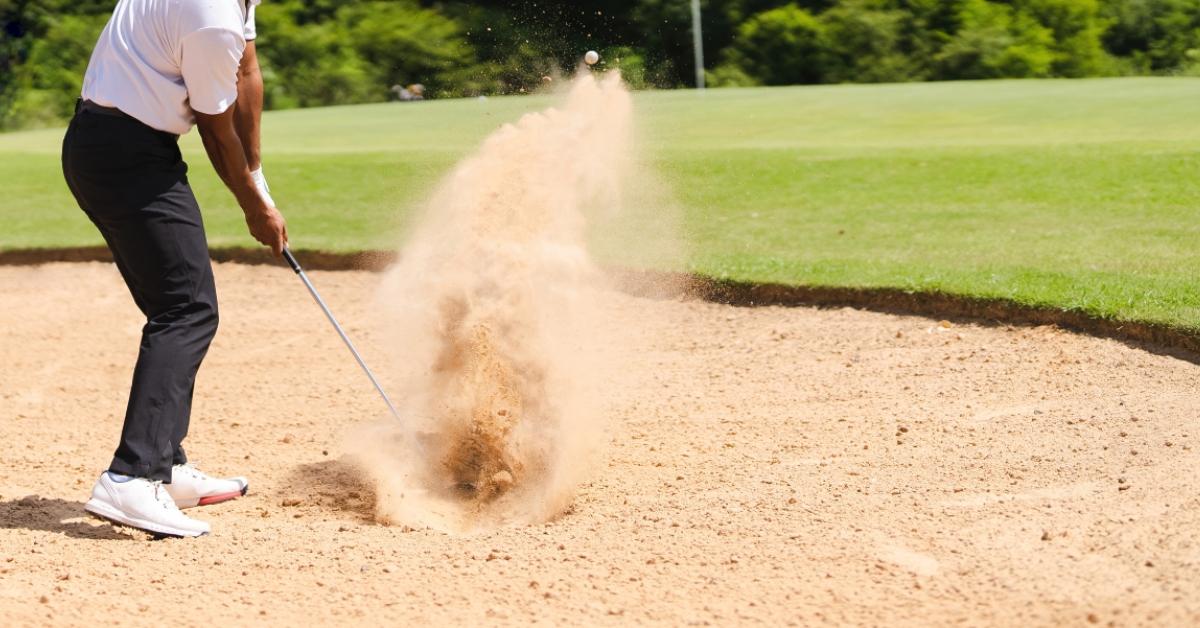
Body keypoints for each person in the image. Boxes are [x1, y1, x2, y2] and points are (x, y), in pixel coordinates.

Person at [61, 0, 287, 538]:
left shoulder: (235, 5)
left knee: (176, 306)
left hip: (109, 145)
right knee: (186, 310)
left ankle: (164, 463)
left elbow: (247, 69)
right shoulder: (211, 17)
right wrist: (254, 206)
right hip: (126, 156)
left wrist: (259, 177)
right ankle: (131, 477)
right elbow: (216, 128)